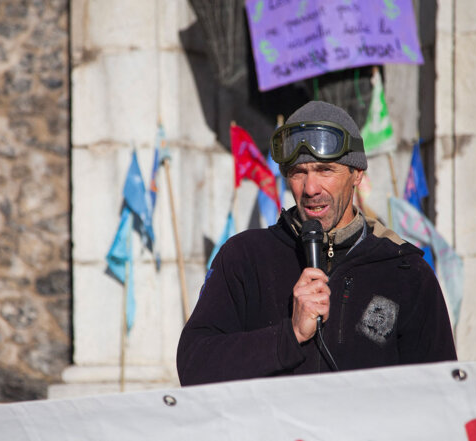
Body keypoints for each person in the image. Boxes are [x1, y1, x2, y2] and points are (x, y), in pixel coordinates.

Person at [176, 101, 456, 386]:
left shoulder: (406, 272)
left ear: (357, 173)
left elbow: (441, 394)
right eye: (299, 172)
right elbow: (193, 366)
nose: (310, 189)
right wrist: (289, 336)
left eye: (325, 170)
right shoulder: (244, 258)